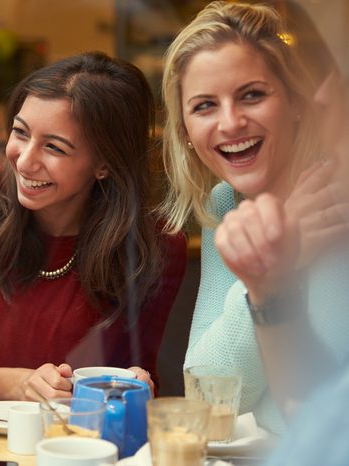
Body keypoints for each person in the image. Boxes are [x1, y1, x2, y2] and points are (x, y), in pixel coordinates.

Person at [0, 51, 187, 405]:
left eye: (54, 147)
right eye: (21, 132)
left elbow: (136, 377)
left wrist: (140, 385)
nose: (25, 159)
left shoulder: (155, 246)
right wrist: (20, 385)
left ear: (104, 164)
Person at [160, 0, 349, 434]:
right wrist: (279, 255)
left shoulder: (339, 198)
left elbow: (316, 411)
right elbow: (209, 397)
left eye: (252, 95)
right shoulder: (227, 204)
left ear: (297, 101)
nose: (230, 123)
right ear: (186, 131)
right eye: (205, 106)